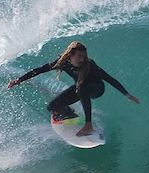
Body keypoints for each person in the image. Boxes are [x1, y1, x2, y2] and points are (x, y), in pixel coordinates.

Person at [8, 41, 140, 136]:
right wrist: (19, 80)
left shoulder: (90, 65)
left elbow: (109, 78)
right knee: (52, 107)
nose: (83, 59)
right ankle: (70, 113)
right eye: (80, 56)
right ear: (70, 55)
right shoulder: (62, 62)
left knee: (82, 88)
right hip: (79, 89)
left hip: (97, 89)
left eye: (84, 56)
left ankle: (88, 125)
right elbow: (40, 70)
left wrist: (127, 94)